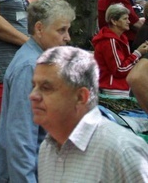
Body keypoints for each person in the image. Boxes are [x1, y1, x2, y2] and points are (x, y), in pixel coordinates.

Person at [0, 0, 76, 183]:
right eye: (61, 30)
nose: (67, 37)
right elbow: (20, 138)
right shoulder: (30, 68)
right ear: (39, 28)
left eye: (67, 30)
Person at [32, 46, 148, 182]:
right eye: (34, 86)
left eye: (46, 88)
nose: (33, 95)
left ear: (81, 97)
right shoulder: (47, 147)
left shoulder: (122, 150)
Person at [92, 3, 148, 98]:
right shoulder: (110, 41)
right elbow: (119, 69)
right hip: (113, 90)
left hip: (122, 88)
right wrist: (138, 53)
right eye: (125, 19)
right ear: (114, 21)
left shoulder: (121, 38)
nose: (129, 22)